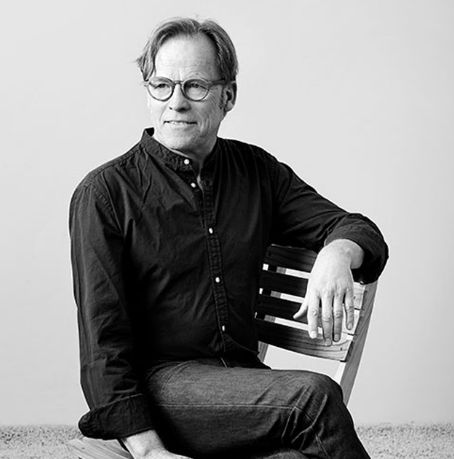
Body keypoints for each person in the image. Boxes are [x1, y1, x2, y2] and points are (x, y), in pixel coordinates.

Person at [69, 17, 388, 459]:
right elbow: (101, 346)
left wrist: (336, 253)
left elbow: (359, 229)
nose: (176, 102)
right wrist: (148, 451)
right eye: (161, 85)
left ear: (228, 96)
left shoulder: (257, 173)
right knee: (312, 399)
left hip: (239, 384)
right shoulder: (105, 194)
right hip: (160, 389)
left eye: (195, 86)